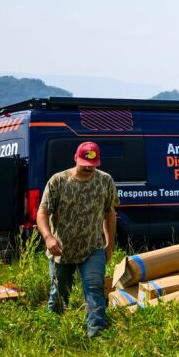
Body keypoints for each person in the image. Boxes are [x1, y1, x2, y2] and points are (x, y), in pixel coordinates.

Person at [36, 141, 118, 338]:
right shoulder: (58, 181)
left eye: (93, 163)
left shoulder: (105, 181)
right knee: (59, 293)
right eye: (84, 163)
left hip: (93, 247)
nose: (89, 167)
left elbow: (109, 213)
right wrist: (48, 237)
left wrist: (109, 245)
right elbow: (42, 212)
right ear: (75, 158)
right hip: (61, 249)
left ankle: (97, 335)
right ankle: (53, 334)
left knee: (94, 288)